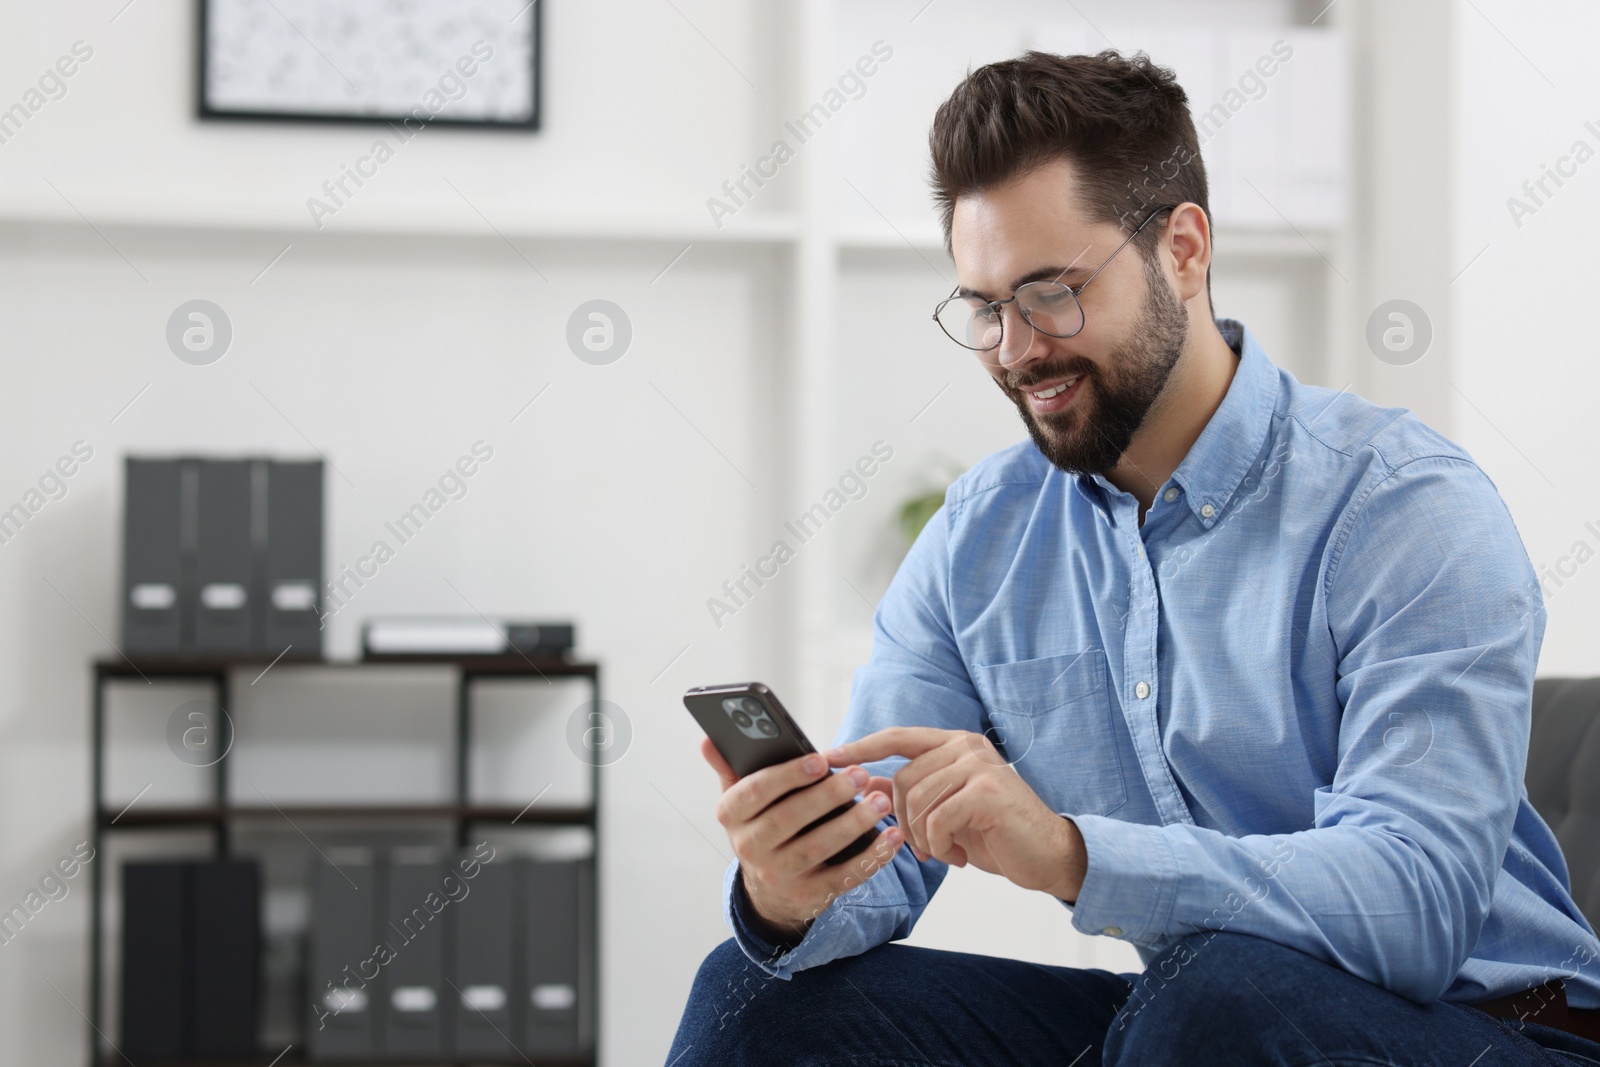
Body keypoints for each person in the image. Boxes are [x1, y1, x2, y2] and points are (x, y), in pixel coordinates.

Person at [667, 49, 1600, 1065]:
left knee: (1213, 990)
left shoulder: (1402, 505)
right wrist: (788, 887)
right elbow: (877, 861)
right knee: (753, 990)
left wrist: (1069, 852)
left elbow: (1413, 907)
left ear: (1185, 249)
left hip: (1492, 1029)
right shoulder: (979, 539)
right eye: (983, 306)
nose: (1017, 350)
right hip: (1198, 1020)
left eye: (1052, 292)